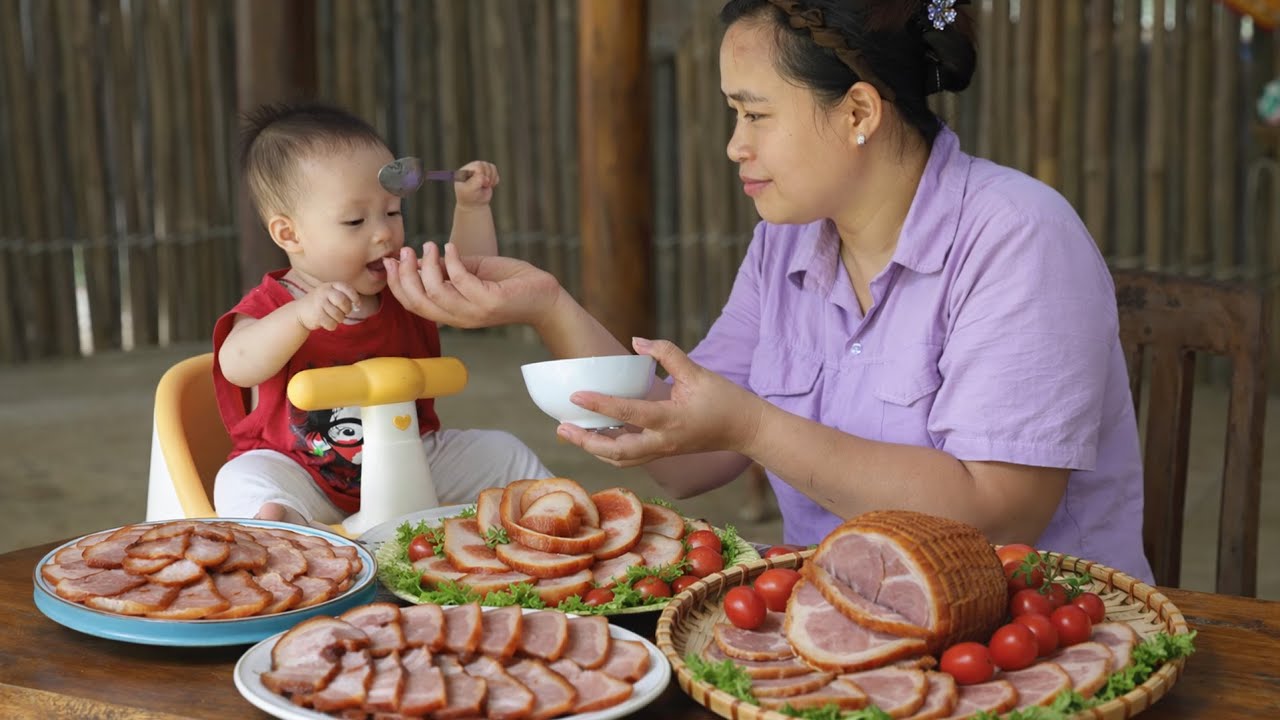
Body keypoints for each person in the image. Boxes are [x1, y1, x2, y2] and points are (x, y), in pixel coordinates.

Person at [382, 0, 1154, 581]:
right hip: (838, 617)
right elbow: (690, 459)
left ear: (858, 111)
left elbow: (998, 512)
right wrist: (548, 305)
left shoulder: (1018, 235)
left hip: (1029, 634)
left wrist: (754, 427)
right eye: (732, 114)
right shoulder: (789, 238)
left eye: (755, 114)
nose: (734, 145)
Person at [213, 101, 550, 528]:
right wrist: (299, 317)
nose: (384, 232)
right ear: (289, 234)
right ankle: (289, 529)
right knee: (241, 479)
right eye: (355, 221)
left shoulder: (402, 285)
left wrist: (471, 209)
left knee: (504, 452)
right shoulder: (274, 306)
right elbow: (237, 364)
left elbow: (469, 281)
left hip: (412, 457)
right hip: (302, 471)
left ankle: (552, 522)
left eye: (392, 211)